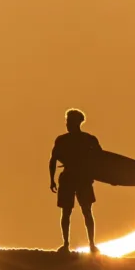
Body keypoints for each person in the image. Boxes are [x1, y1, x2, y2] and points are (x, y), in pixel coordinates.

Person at [49, 109, 101, 254]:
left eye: (69, 122)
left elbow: (101, 160)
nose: (67, 124)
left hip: (83, 179)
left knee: (86, 211)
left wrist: (110, 177)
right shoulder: (62, 140)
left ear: (76, 123)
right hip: (69, 179)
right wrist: (51, 180)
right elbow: (53, 160)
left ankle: (91, 244)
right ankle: (66, 244)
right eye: (67, 122)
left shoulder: (89, 139)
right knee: (67, 212)